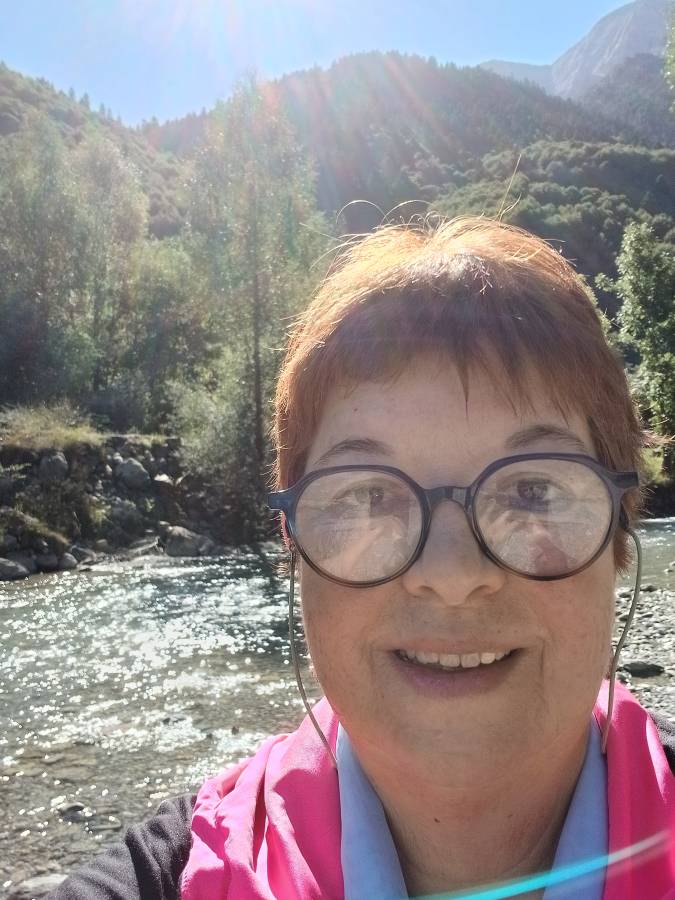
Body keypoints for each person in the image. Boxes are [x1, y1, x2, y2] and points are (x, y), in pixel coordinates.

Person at [52, 217, 675, 899]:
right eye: (370, 496)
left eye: (532, 491)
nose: (451, 575)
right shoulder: (163, 880)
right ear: (293, 543)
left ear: (621, 529)